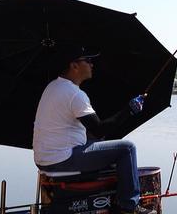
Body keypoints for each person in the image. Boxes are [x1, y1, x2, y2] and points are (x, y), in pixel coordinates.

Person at [33, 46, 156, 214]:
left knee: (100, 143)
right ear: (74, 66)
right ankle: (129, 206)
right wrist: (129, 110)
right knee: (127, 148)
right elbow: (98, 129)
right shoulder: (74, 94)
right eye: (88, 61)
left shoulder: (53, 87)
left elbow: (93, 130)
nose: (92, 65)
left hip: (44, 160)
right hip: (61, 160)